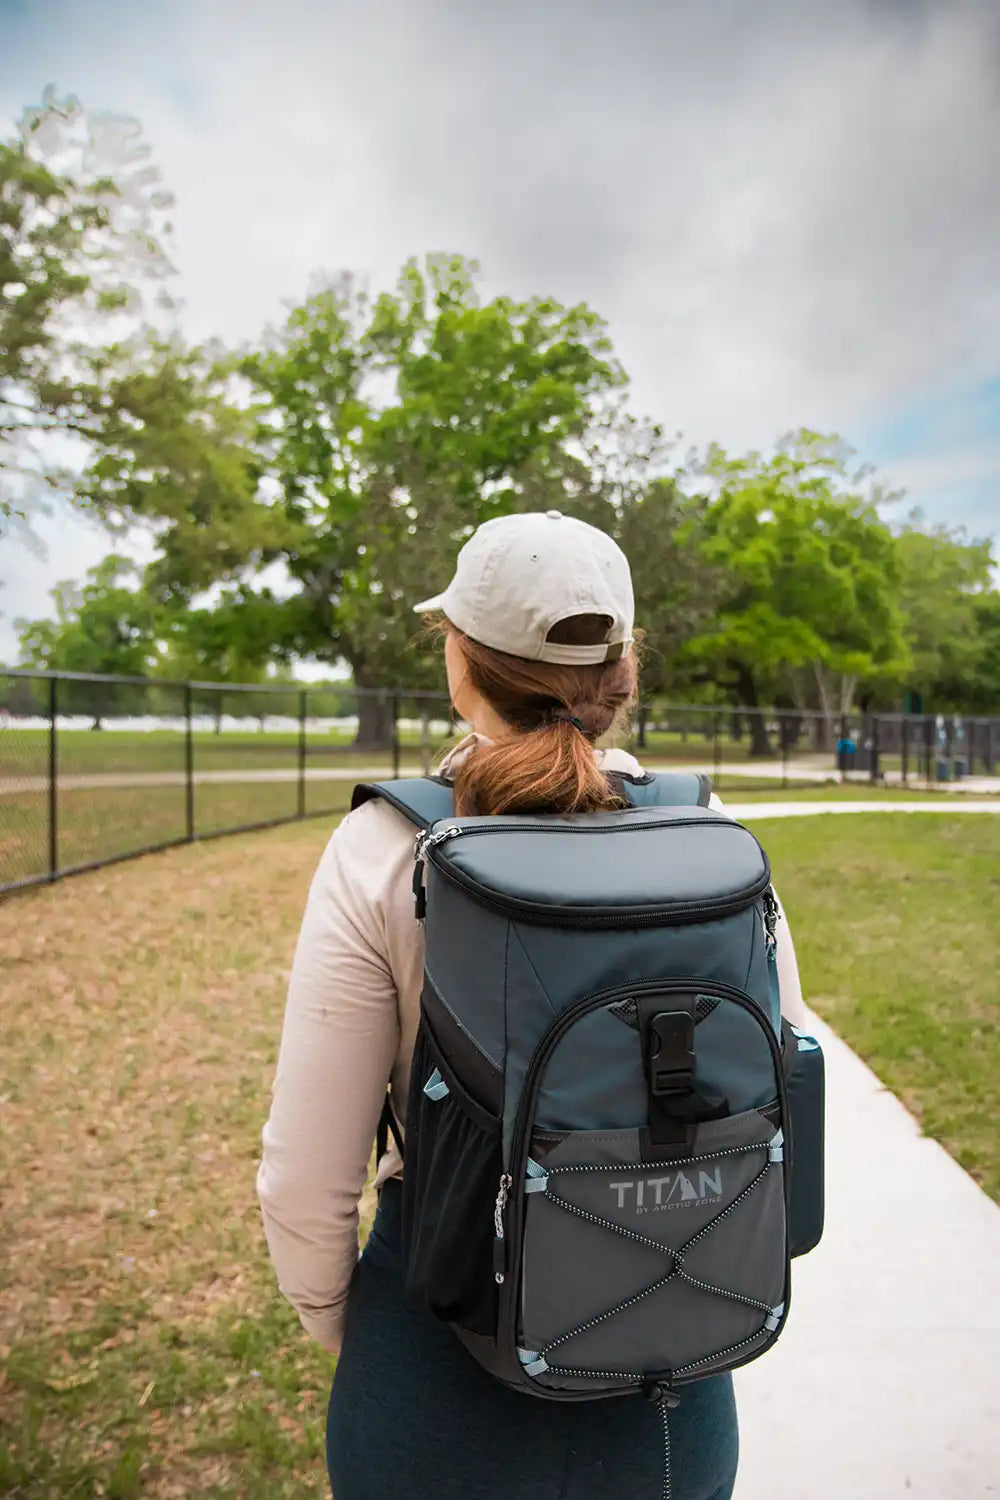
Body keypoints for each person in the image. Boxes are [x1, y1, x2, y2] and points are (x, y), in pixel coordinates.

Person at [257, 511, 808, 1500]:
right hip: (670, 1369)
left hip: (439, 1344)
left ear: (460, 663)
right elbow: (780, 1079)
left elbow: (304, 1176)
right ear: (623, 673)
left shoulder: (387, 848)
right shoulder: (710, 835)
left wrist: (363, 1333)